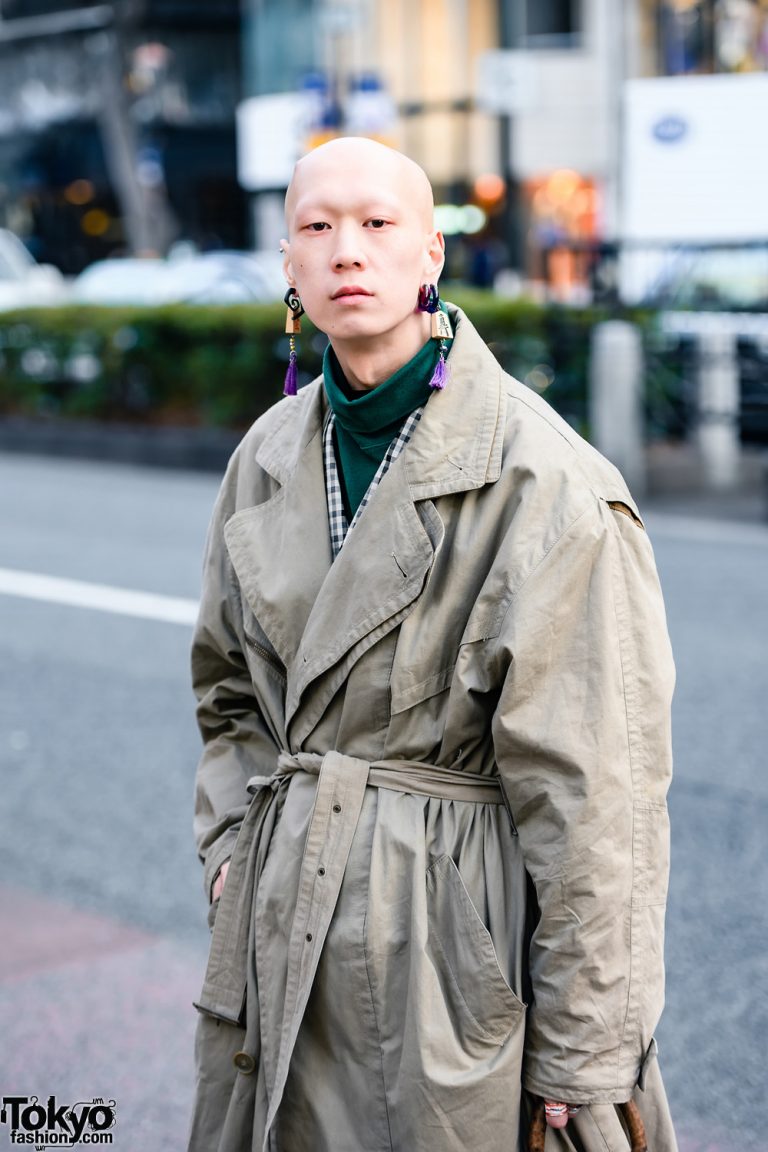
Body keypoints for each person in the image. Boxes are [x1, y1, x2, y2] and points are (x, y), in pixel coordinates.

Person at [187, 137, 678, 1152]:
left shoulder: (546, 481)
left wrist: (585, 1048)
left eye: (377, 225)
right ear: (288, 264)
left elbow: (599, 800)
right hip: (284, 921)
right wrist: (235, 850)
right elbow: (228, 690)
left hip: (450, 945)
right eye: (317, 228)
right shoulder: (268, 453)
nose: (346, 252)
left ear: (431, 256)